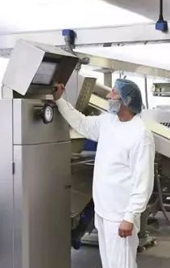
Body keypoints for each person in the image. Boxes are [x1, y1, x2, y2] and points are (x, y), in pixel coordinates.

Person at [53, 78, 155, 268]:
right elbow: (81, 122)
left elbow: (144, 181)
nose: (108, 96)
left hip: (120, 215)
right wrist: (59, 100)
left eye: (114, 93)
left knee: (122, 264)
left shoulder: (140, 134)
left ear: (126, 100)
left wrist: (130, 217)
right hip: (103, 210)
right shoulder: (108, 121)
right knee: (109, 264)